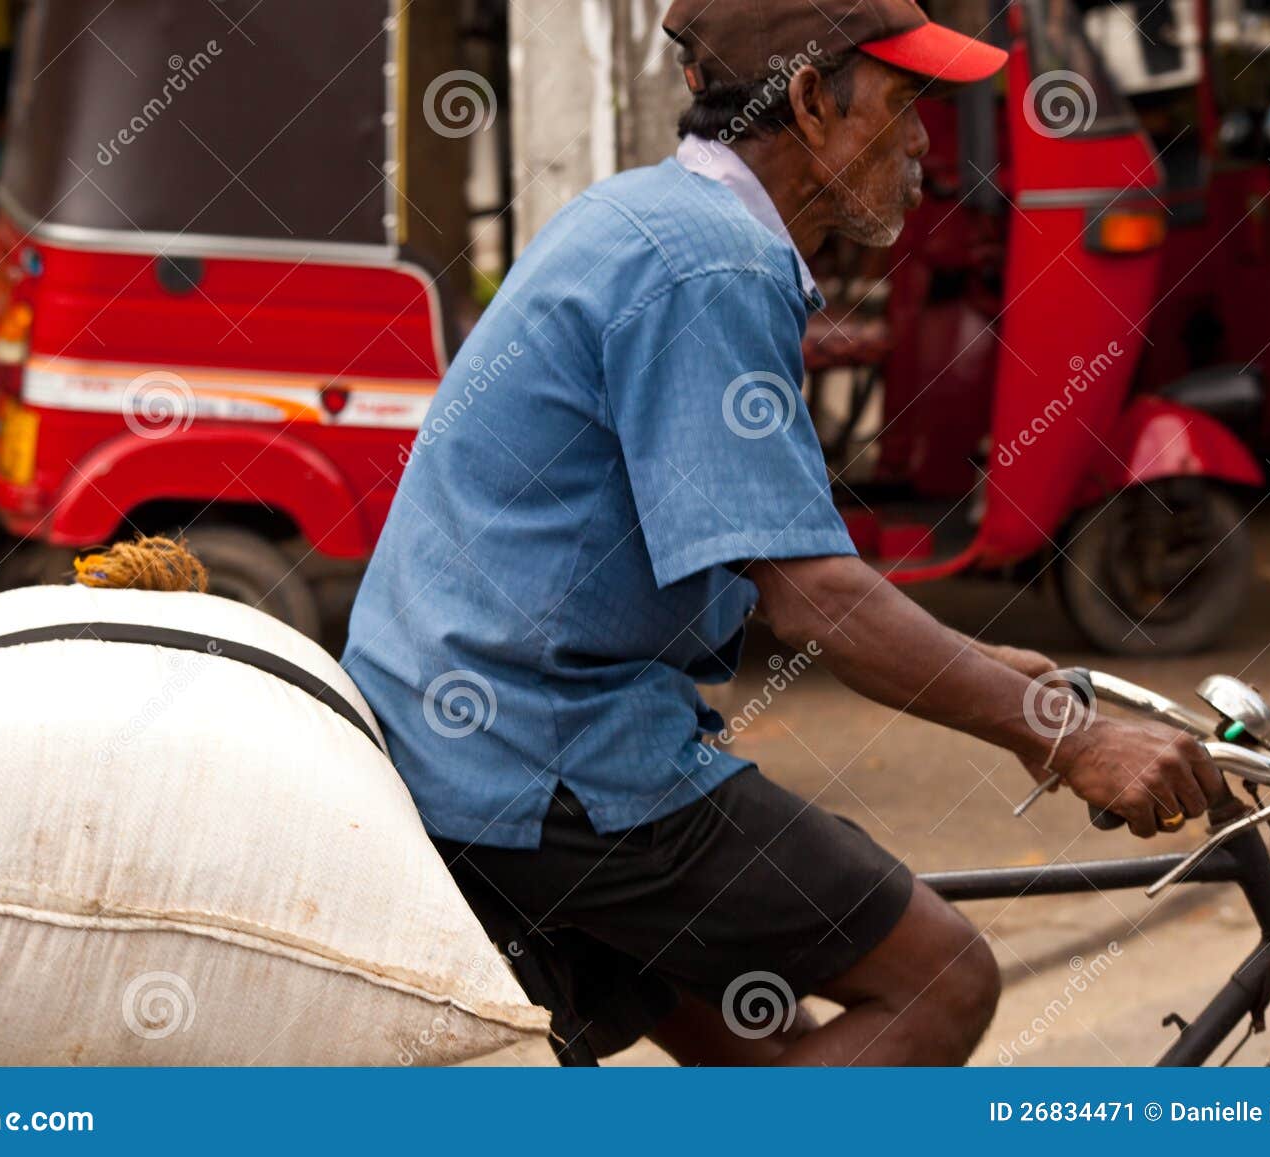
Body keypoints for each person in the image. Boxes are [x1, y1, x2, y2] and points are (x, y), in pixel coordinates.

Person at [343, 0, 1222, 1066]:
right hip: (550, 762)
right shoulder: (714, 266)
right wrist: (1064, 734)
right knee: (939, 977)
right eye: (899, 106)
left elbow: (776, 559)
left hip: (471, 735)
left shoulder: (648, 216)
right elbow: (815, 595)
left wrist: (977, 665)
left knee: (762, 1057)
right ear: (809, 99)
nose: (918, 144)